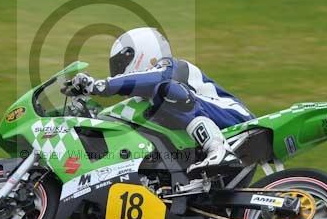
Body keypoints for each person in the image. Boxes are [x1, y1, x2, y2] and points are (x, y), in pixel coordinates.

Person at [63, 27, 254, 174]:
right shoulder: (150, 97)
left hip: (234, 118)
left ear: (140, 53)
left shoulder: (171, 67)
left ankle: (218, 149)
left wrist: (100, 86)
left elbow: (155, 79)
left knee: (166, 91)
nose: (118, 72)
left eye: (120, 65)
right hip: (212, 135)